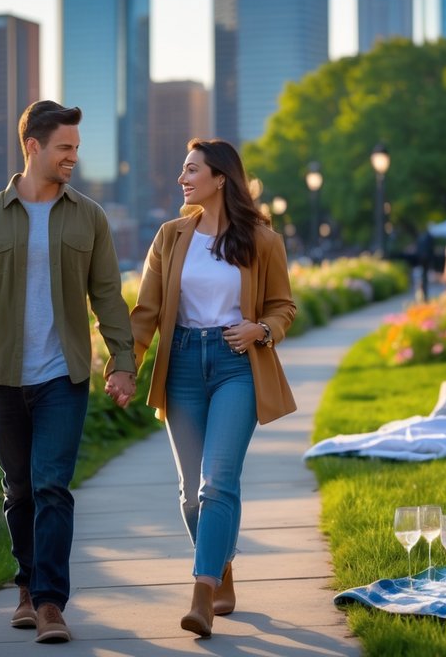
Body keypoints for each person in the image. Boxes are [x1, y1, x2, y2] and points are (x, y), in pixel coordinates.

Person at [0, 100, 137, 645]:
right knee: (19, 491)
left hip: (63, 377)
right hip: (5, 378)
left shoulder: (89, 217)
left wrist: (122, 362)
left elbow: (107, 296)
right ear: (33, 146)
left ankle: (52, 603)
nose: (74, 157)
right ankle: (27, 590)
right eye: (66, 148)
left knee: (52, 486)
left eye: (76, 148)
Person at [109, 138, 297, 639]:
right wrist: (124, 366)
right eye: (182, 169)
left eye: (191, 170)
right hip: (184, 366)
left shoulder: (261, 240)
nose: (182, 178)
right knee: (192, 497)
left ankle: (202, 596)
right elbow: (146, 311)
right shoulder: (170, 237)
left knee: (218, 482)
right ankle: (224, 566)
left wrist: (261, 330)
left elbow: (284, 307)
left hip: (238, 366)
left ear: (220, 178)